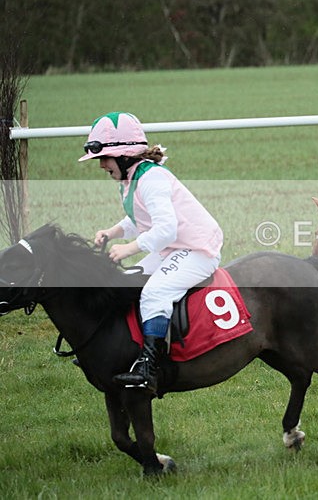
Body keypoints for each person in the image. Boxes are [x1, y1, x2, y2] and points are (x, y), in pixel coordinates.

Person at [79, 111, 223, 394]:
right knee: (128, 282)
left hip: (197, 250)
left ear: (124, 155)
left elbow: (166, 229)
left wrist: (128, 249)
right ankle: (126, 349)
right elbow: (139, 219)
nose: (101, 166)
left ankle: (149, 365)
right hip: (175, 247)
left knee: (155, 292)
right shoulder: (132, 178)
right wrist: (112, 232)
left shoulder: (151, 178)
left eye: (104, 159)